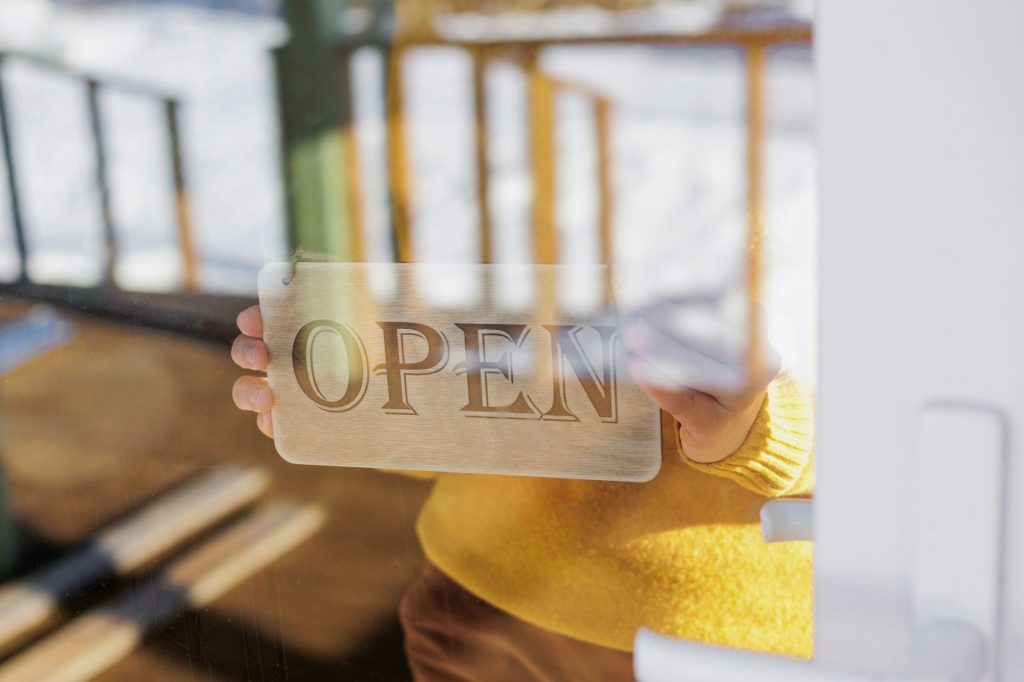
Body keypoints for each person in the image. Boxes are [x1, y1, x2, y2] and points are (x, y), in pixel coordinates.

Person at [231, 303, 814, 681]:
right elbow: (476, 361)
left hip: (714, 647)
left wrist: (768, 429)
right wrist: (378, 409)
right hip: (468, 616)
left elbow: (874, 424)